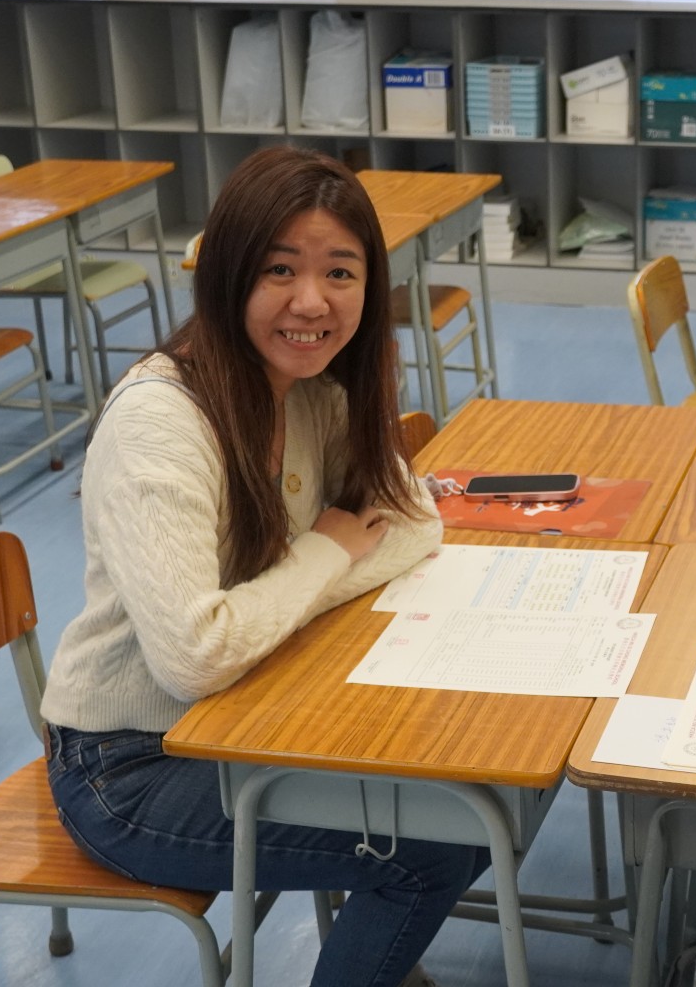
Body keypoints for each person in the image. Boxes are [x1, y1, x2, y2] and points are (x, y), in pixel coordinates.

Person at [41, 146, 482, 987]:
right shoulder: (161, 422)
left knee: (470, 793)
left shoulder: (313, 388)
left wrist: (297, 586)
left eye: (339, 272)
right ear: (227, 275)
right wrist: (325, 552)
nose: (311, 301)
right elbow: (194, 656)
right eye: (280, 269)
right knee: (432, 845)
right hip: (130, 766)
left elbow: (414, 524)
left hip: (248, 710)